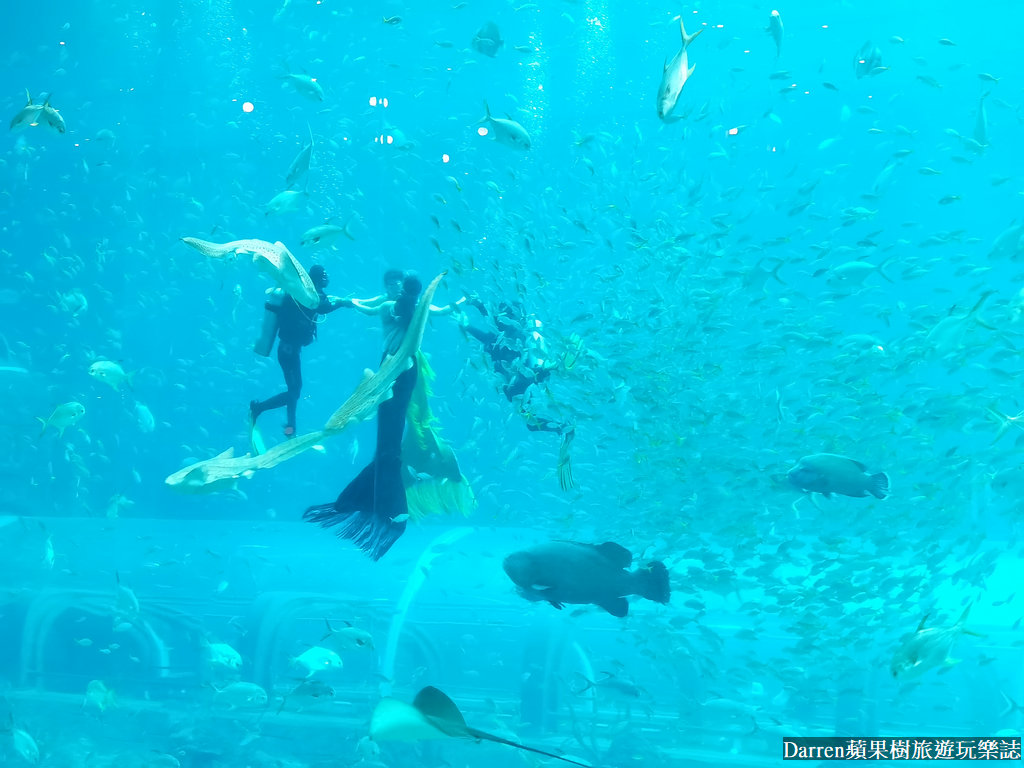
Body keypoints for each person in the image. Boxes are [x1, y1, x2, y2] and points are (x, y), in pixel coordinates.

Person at [303, 271, 426, 561]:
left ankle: (374, 502)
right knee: (388, 443)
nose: (395, 287)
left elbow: (433, 308)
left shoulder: (414, 307)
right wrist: (345, 302)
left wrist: (458, 304)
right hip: (391, 368)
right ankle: (379, 504)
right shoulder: (390, 305)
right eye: (391, 284)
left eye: (399, 284)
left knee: (390, 444)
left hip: (407, 370)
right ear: (386, 286)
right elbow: (366, 306)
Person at [457, 297, 576, 489]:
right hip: (515, 386)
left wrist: (545, 368)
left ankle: (563, 421)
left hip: (526, 380)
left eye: (507, 317)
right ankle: (563, 428)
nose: (501, 320)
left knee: (532, 417)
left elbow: (530, 357)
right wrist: (474, 311)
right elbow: (491, 328)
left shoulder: (520, 335)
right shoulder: (498, 335)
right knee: (531, 424)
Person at [249, 265, 350, 437]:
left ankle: (291, 427)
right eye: (324, 275)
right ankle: (259, 408)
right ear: (317, 279)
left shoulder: (302, 293)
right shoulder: (308, 296)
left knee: (294, 390)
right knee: (294, 391)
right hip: (288, 351)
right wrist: (341, 303)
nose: (327, 277)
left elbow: (322, 303)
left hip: (289, 350)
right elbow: (322, 307)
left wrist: (338, 301)